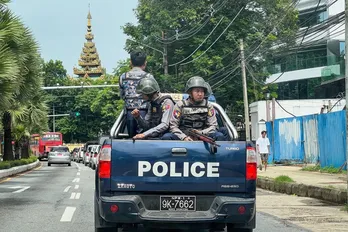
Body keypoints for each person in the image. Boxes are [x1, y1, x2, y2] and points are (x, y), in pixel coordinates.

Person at [162, 76, 226, 141]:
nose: (200, 94)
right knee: (167, 137)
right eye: (197, 91)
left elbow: (213, 126)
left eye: (202, 91)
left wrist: (201, 133)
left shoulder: (208, 105)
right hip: (183, 136)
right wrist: (184, 137)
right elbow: (173, 126)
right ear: (190, 93)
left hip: (203, 135)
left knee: (219, 136)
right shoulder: (180, 105)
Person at [119, 50, 155, 137]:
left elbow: (122, 95)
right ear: (145, 63)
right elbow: (153, 96)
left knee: (132, 139)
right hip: (145, 113)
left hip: (129, 113)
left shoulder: (123, 77)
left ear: (130, 62)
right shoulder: (149, 77)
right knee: (145, 138)